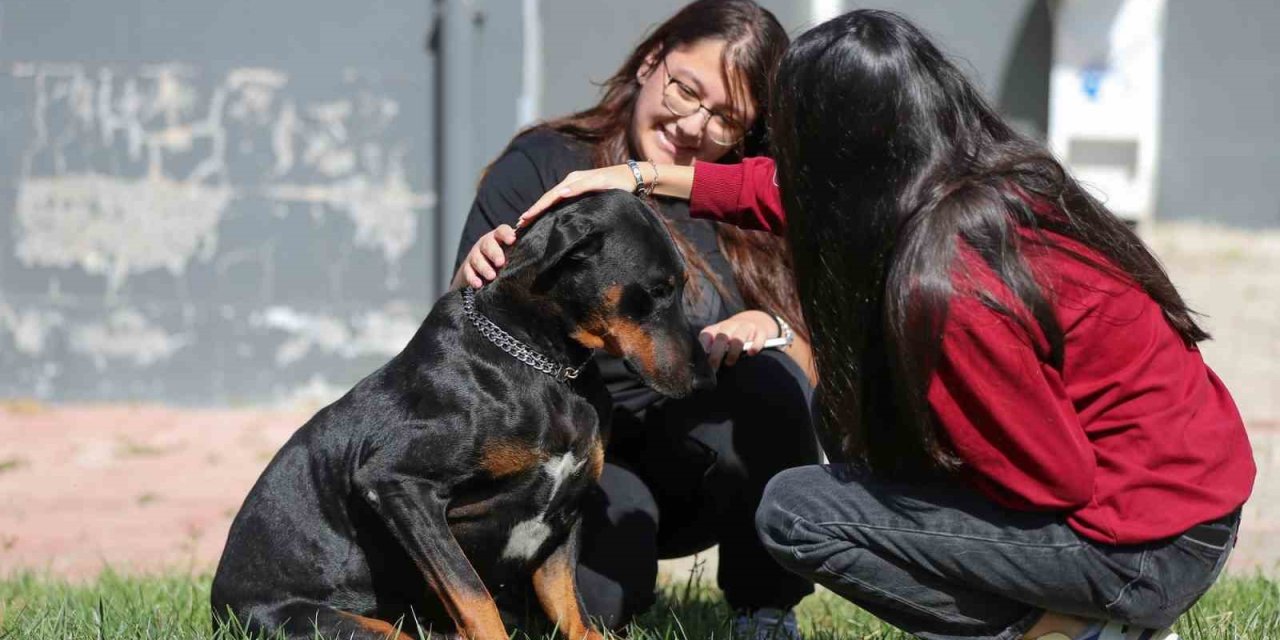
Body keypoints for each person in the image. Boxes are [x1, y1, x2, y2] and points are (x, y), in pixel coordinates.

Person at [513, 9, 1256, 640]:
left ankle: (1062, 627)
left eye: (793, 135)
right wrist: (638, 177)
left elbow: (1054, 477)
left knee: (800, 512)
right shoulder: (969, 176)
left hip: (1137, 542)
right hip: (1190, 500)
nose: (781, 154)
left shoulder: (952, 280)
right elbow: (780, 192)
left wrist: (920, 447)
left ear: (842, 152)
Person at [450, 1, 819, 636]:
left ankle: (765, 608)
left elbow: (810, 370)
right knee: (598, 602)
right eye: (686, 90)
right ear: (652, 61)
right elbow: (462, 330)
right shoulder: (546, 164)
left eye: (726, 118)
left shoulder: (750, 205)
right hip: (564, 457)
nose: (693, 124)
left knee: (773, 384)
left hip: (691, 456)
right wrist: (471, 279)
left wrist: (772, 329)